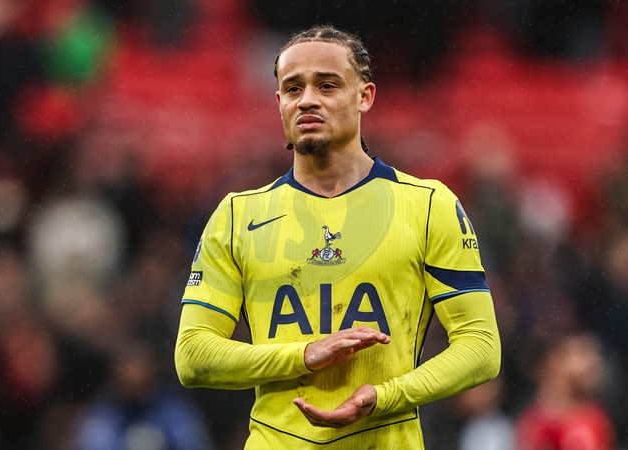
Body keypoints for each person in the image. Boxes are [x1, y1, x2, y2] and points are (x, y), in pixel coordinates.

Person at [174, 24, 501, 449]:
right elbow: (193, 357)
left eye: (327, 85)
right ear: (279, 102)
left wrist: (385, 396)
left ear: (365, 96)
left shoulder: (428, 206)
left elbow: (481, 348)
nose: (307, 99)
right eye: (293, 88)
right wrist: (304, 354)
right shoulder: (236, 215)